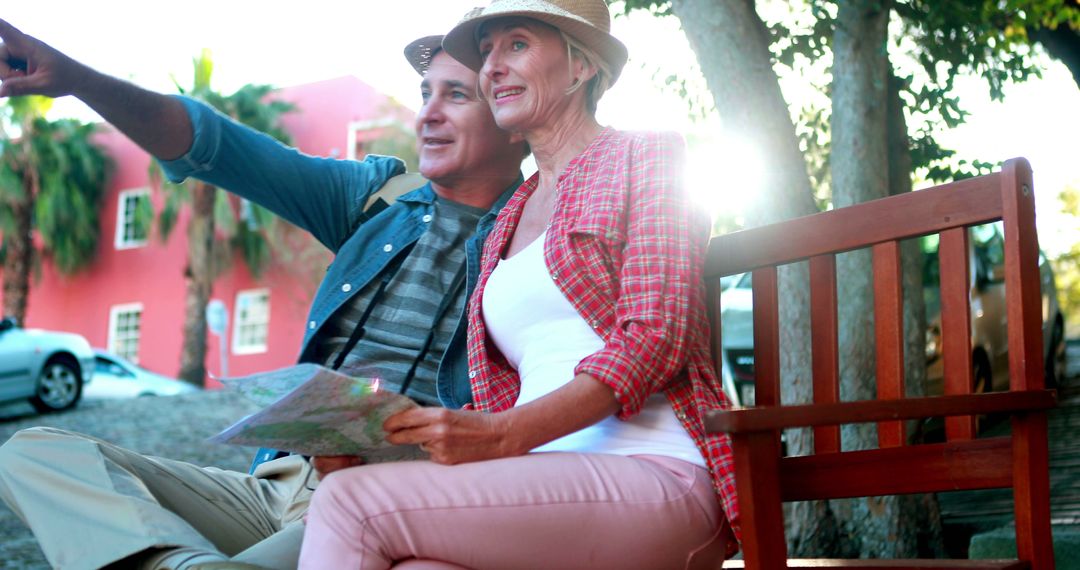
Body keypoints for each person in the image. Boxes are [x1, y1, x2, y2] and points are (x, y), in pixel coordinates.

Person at [0, 18, 528, 570]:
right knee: (36, 454)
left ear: (514, 121)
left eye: (457, 96)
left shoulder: (542, 241)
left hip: (389, 500)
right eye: (426, 94)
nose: (428, 114)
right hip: (274, 483)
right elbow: (215, 146)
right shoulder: (376, 201)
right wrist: (78, 80)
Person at [298, 1, 740, 568]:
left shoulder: (646, 154)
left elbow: (658, 336)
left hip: (655, 472)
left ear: (581, 68)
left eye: (517, 44)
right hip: (530, 486)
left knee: (351, 506)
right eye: (487, 53)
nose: (492, 68)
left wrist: (505, 433)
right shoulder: (506, 217)